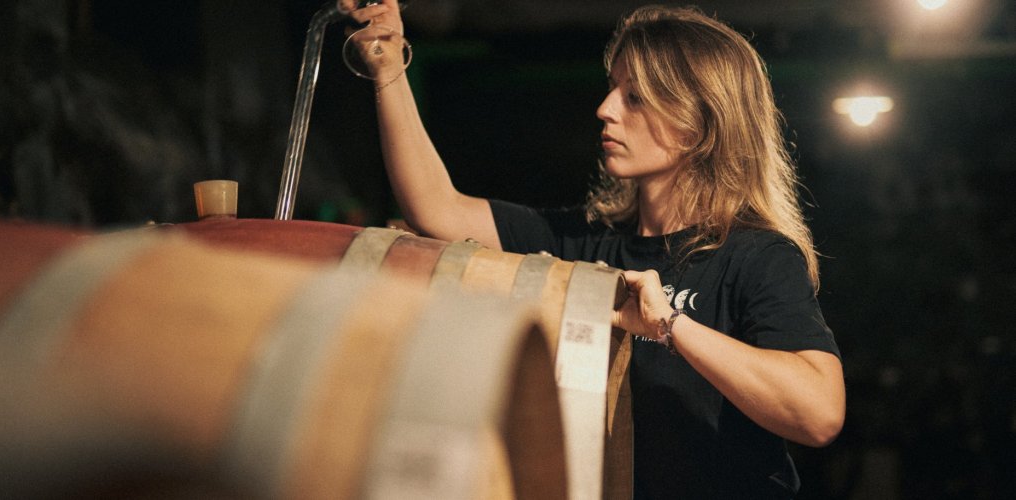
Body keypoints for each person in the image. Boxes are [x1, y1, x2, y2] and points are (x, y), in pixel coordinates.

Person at [346, 1, 846, 498]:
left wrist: (671, 325)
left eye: (635, 97)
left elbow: (819, 413)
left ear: (697, 123)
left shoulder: (755, 256)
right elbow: (436, 209)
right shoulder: (584, 241)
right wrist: (388, 66)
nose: (605, 109)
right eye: (613, 88)